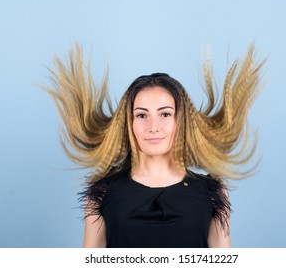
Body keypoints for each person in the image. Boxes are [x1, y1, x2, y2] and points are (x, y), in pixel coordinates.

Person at [43, 44, 265, 248]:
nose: (153, 127)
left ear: (181, 120)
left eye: (165, 114)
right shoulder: (101, 194)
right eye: (141, 115)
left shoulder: (213, 193)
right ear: (128, 123)